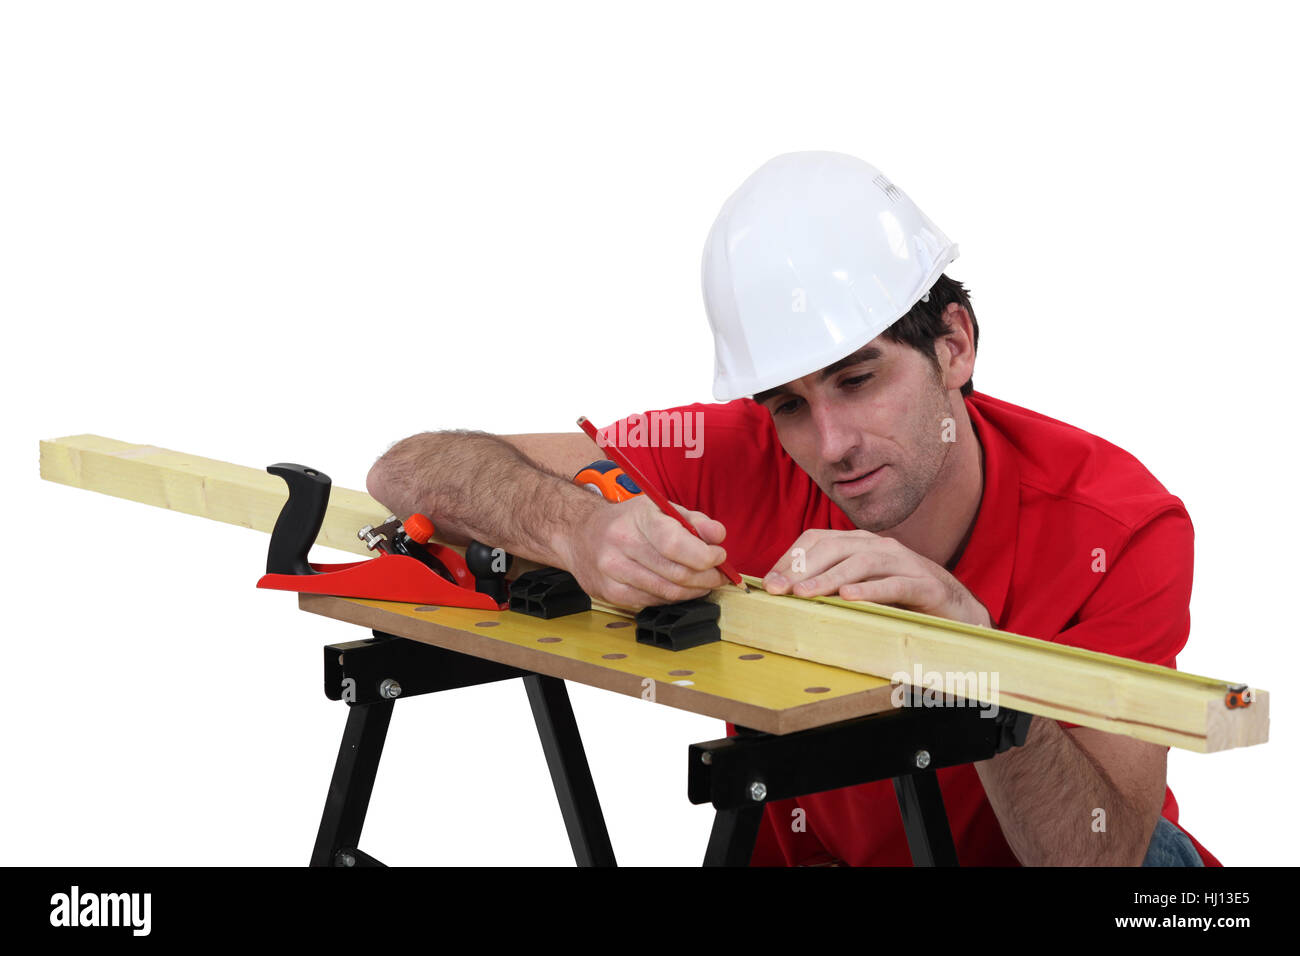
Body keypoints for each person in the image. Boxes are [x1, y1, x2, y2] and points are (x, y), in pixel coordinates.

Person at [366, 152, 1217, 866]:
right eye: (789, 404)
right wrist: (580, 525)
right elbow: (409, 469)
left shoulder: (1121, 526)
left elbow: (1098, 854)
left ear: (953, 344)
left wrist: (975, 658)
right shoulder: (738, 448)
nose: (832, 441)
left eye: (858, 379)